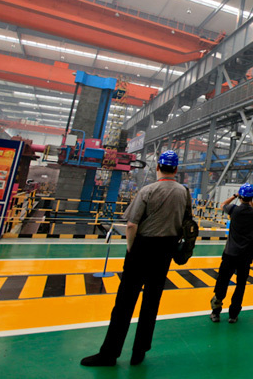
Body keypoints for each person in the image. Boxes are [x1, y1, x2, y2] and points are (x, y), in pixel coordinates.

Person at [81, 150, 188, 367]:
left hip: (142, 248)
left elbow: (131, 224)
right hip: (166, 251)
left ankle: (109, 353)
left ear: (158, 167)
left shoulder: (147, 190)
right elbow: (187, 222)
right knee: (151, 302)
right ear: (176, 169)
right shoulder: (184, 192)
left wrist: (131, 248)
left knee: (124, 303)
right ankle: (139, 352)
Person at [210, 183, 253, 324]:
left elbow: (222, 205)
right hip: (245, 256)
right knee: (241, 285)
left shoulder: (234, 210)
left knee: (222, 281)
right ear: (251, 197)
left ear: (240, 196)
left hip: (230, 253)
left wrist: (234, 196)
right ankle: (233, 314)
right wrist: (249, 199)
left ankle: (216, 312)